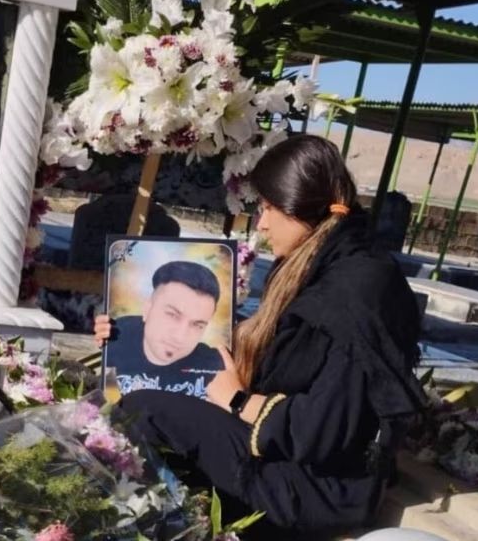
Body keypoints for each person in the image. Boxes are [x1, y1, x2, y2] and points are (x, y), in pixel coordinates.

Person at [95, 135, 426, 539]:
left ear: (300, 208)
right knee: (136, 409)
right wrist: (124, 335)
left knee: (148, 411)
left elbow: (322, 431)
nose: (263, 223)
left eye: (270, 208)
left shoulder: (354, 292)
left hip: (321, 487)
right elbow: (282, 364)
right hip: (289, 458)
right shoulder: (322, 265)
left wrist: (237, 400)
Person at [105, 260, 226, 398]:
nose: (179, 337)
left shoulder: (214, 366)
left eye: (197, 325)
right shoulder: (114, 337)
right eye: (172, 315)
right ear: (147, 309)